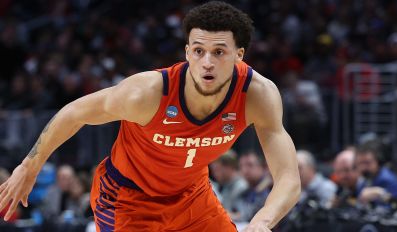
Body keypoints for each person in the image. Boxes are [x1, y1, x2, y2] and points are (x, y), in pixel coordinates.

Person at [0, 1, 300, 231]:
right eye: (198, 50)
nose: (206, 62)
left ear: (239, 55)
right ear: (186, 52)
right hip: (128, 198)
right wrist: (30, 165)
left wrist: (263, 220)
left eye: (219, 52)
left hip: (192, 195)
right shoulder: (146, 93)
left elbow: (288, 177)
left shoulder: (258, 95)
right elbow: (75, 111)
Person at [355, 140, 397, 204]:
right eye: (360, 163)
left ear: (378, 161)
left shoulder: (389, 179)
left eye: (367, 163)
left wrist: (381, 193)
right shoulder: (363, 181)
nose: (363, 167)